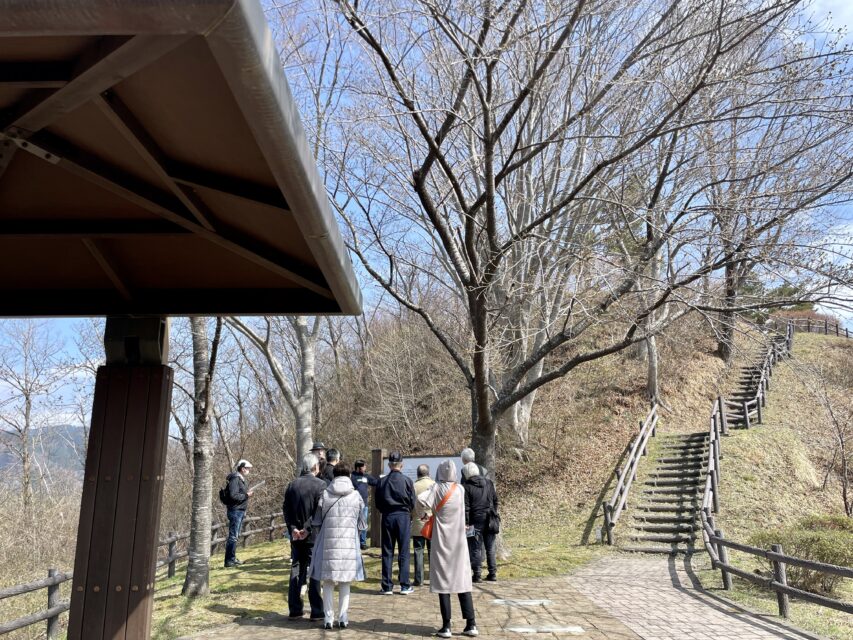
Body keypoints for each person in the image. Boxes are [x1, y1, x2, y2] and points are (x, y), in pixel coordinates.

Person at [418, 460, 478, 637]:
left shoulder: (436, 489)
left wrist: (424, 514)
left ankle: (446, 626)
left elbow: (420, 500)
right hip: (459, 542)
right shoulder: (460, 489)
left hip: (442, 540)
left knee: (443, 583)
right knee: (463, 581)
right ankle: (471, 623)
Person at [310, 461, 366, 630]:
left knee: (327, 582)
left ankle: (328, 618)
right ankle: (343, 617)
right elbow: (362, 524)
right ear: (349, 475)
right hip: (349, 545)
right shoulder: (356, 496)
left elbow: (317, 521)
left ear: (333, 476)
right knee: (345, 583)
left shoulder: (325, 495)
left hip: (329, 543)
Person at [282, 452, 326, 620]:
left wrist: (293, 528)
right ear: (315, 467)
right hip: (312, 535)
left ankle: (294, 608)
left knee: (296, 568)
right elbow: (319, 511)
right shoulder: (320, 485)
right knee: (314, 570)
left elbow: (286, 509)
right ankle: (316, 609)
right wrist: (307, 528)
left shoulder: (292, 485)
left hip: (295, 535)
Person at [375, 450, 415, 594]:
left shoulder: (382, 481)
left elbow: (377, 503)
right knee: (403, 551)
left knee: (387, 551)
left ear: (389, 465)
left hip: (387, 516)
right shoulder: (407, 481)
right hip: (403, 516)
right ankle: (404, 584)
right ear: (401, 465)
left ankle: (386, 586)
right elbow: (412, 501)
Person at [461, 462, 498, 583]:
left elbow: (466, 507)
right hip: (490, 518)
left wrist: (465, 522)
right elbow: (495, 500)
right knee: (490, 547)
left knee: (475, 548)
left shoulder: (466, 486)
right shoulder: (489, 483)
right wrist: (494, 513)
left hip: (474, 520)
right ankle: (492, 573)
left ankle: (477, 575)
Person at [223, 459, 254, 568]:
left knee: (235, 536)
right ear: (242, 468)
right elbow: (233, 495)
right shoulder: (235, 479)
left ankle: (232, 558)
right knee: (233, 537)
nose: (249, 470)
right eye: (247, 468)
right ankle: (229, 561)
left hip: (239, 511)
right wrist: (246, 495)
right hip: (235, 511)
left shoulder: (239, 479)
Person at [411, 463, 435, 586]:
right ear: (428, 473)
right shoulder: (434, 485)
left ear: (418, 474)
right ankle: (433, 578)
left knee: (418, 551)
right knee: (432, 551)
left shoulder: (414, 486)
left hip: (417, 522)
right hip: (431, 522)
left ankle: (418, 579)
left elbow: (411, 504)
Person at [351, 459, 377, 550]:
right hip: (353, 505)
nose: (365, 468)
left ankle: (363, 542)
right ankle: (354, 542)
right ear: (358, 467)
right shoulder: (352, 476)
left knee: (363, 523)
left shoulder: (366, 476)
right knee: (353, 523)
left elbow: (376, 482)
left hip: (364, 505)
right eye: (364, 466)